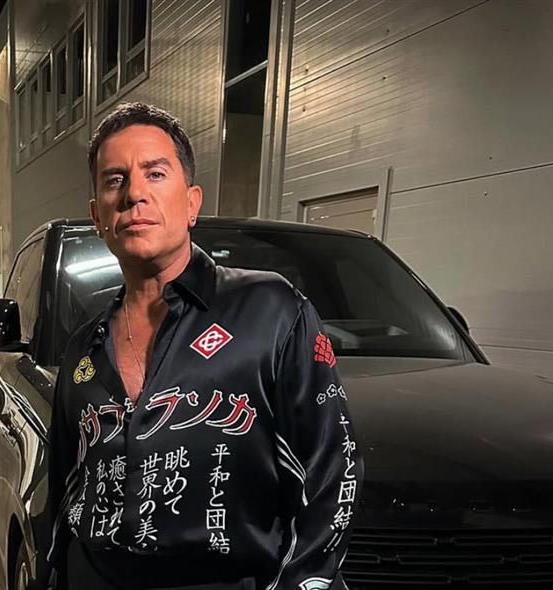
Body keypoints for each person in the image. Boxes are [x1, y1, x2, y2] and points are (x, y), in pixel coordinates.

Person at [47, 102, 363, 590]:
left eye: (155, 173)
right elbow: (64, 493)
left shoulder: (270, 312)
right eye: (114, 180)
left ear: (192, 202)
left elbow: (332, 472)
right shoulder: (83, 349)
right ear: (97, 216)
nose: (134, 194)